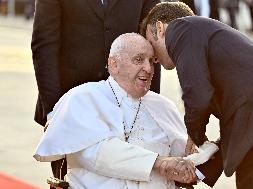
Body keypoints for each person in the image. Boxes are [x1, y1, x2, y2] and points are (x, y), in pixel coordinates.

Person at [34, 33, 218, 189]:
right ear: (113, 64)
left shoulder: (164, 106)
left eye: (152, 61)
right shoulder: (83, 97)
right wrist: (158, 163)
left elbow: (189, 156)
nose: (148, 68)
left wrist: (208, 149)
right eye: (138, 59)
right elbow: (96, 154)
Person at [142, 2, 253, 189]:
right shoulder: (209, 41)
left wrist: (193, 139)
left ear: (160, 28)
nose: (154, 59)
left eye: (151, 46)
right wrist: (199, 171)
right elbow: (236, 124)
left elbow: (197, 95)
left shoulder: (180, 27)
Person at [31, 0, 161, 127]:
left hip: (128, 104)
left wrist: (151, 107)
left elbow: (153, 45)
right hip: (70, 104)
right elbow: (44, 47)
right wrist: (53, 110)